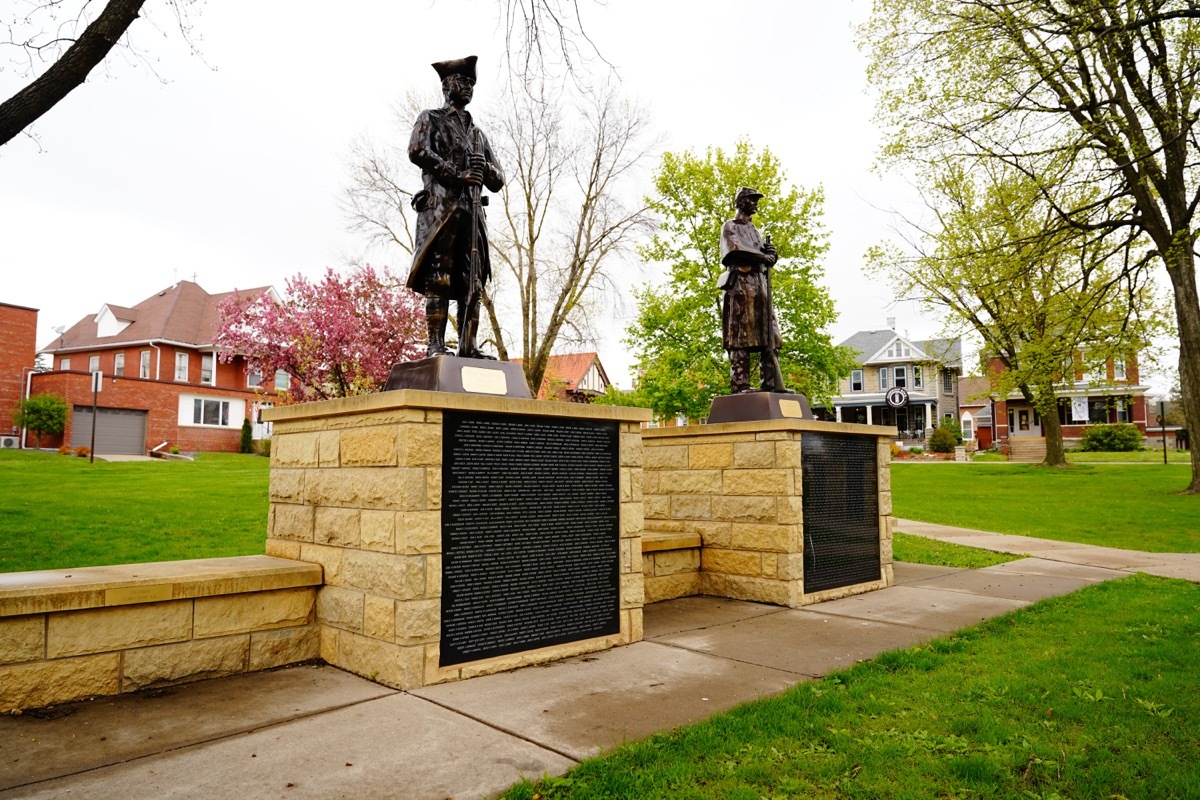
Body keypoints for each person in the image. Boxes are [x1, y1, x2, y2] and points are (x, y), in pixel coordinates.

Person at [407, 55, 505, 358]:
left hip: (473, 214)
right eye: (463, 82)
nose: (468, 88)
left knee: (471, 279)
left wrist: (484, 167)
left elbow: (498, 178)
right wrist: (455, 173)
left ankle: (468, 345)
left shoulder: (478, 134)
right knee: (440, 276)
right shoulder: (431, 118)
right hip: (442, 211)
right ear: (448, 85)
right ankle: (435, 344)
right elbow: (417, 150)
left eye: (472, 84)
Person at [719, 187, 791, 393]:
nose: (755, 203)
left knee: (770, 335)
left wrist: (771, 254)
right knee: (742, 335)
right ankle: (741, 385)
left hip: (759, 285)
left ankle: (771, 383)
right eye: (751, 199)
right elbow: (734, 250)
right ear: (741, 201)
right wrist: (762, 257)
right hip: (741, 285)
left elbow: (765, 259)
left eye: (755, 200)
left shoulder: (755, 231)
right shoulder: (730, 226)